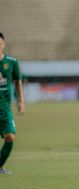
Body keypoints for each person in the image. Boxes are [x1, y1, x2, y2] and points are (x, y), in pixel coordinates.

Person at [0, 32, 25, 174]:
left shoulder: (12, 62)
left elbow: (18, 83)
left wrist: (21, 101)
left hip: (4, 110)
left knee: (10, 137)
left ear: (3, 44)